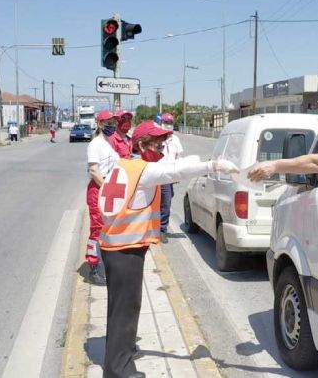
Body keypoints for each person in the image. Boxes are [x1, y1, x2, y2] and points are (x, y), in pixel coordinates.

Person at [96, 120, 238, 378]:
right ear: (142, 144)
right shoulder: (144, 171)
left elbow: (170, 166)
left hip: (116, 246)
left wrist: (189, 159)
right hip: (125, 248)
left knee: (120, 307)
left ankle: (121, 352)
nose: (161, 146)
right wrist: (213, 165)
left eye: (163, 141)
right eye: (156, 142)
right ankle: (119, 371)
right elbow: (175, 172)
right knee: (126, 309)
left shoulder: (127, 165)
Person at [85, 110, 120, 286]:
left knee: (107, 228)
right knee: (97, 229)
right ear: (99, 124)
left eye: (113, 121)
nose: (112, 124)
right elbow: (93, 170)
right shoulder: (95, 144)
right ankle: (93, 268)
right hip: (98, 188)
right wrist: (106, 188)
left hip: (107, 189)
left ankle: (103, 263)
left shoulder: (108, 143)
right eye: (108, 121)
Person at [157, 113, 183, 243]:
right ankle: (161, 229)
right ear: (161, 122)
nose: (168, 125)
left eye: (170, 122)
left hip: (170, 174)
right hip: (159, 174)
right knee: (165, 202)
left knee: (167, 200)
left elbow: (178, 157)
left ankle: (160, 227)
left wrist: (178, 173)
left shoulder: (175, 139)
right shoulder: (156, 138)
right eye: (166, 122)